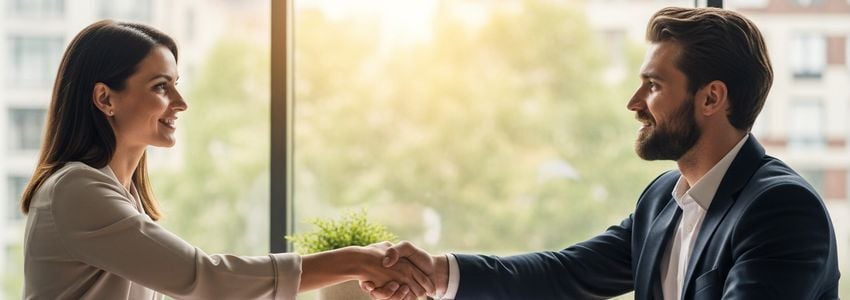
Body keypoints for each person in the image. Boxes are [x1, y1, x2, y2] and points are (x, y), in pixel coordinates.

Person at [363, 7, 840, 300]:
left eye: (653, 86)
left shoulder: (780, 210)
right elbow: (568, 273)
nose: (634, 104)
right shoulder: (663, 199)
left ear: (712, 98)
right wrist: (437, 273)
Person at [20, 20, 433, 300]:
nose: (180, 103)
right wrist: (354, 260)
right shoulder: (76, 190)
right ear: (105, 98)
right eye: (161, 87)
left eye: (176, 85)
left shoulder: (116, 193)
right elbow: (204, 277)